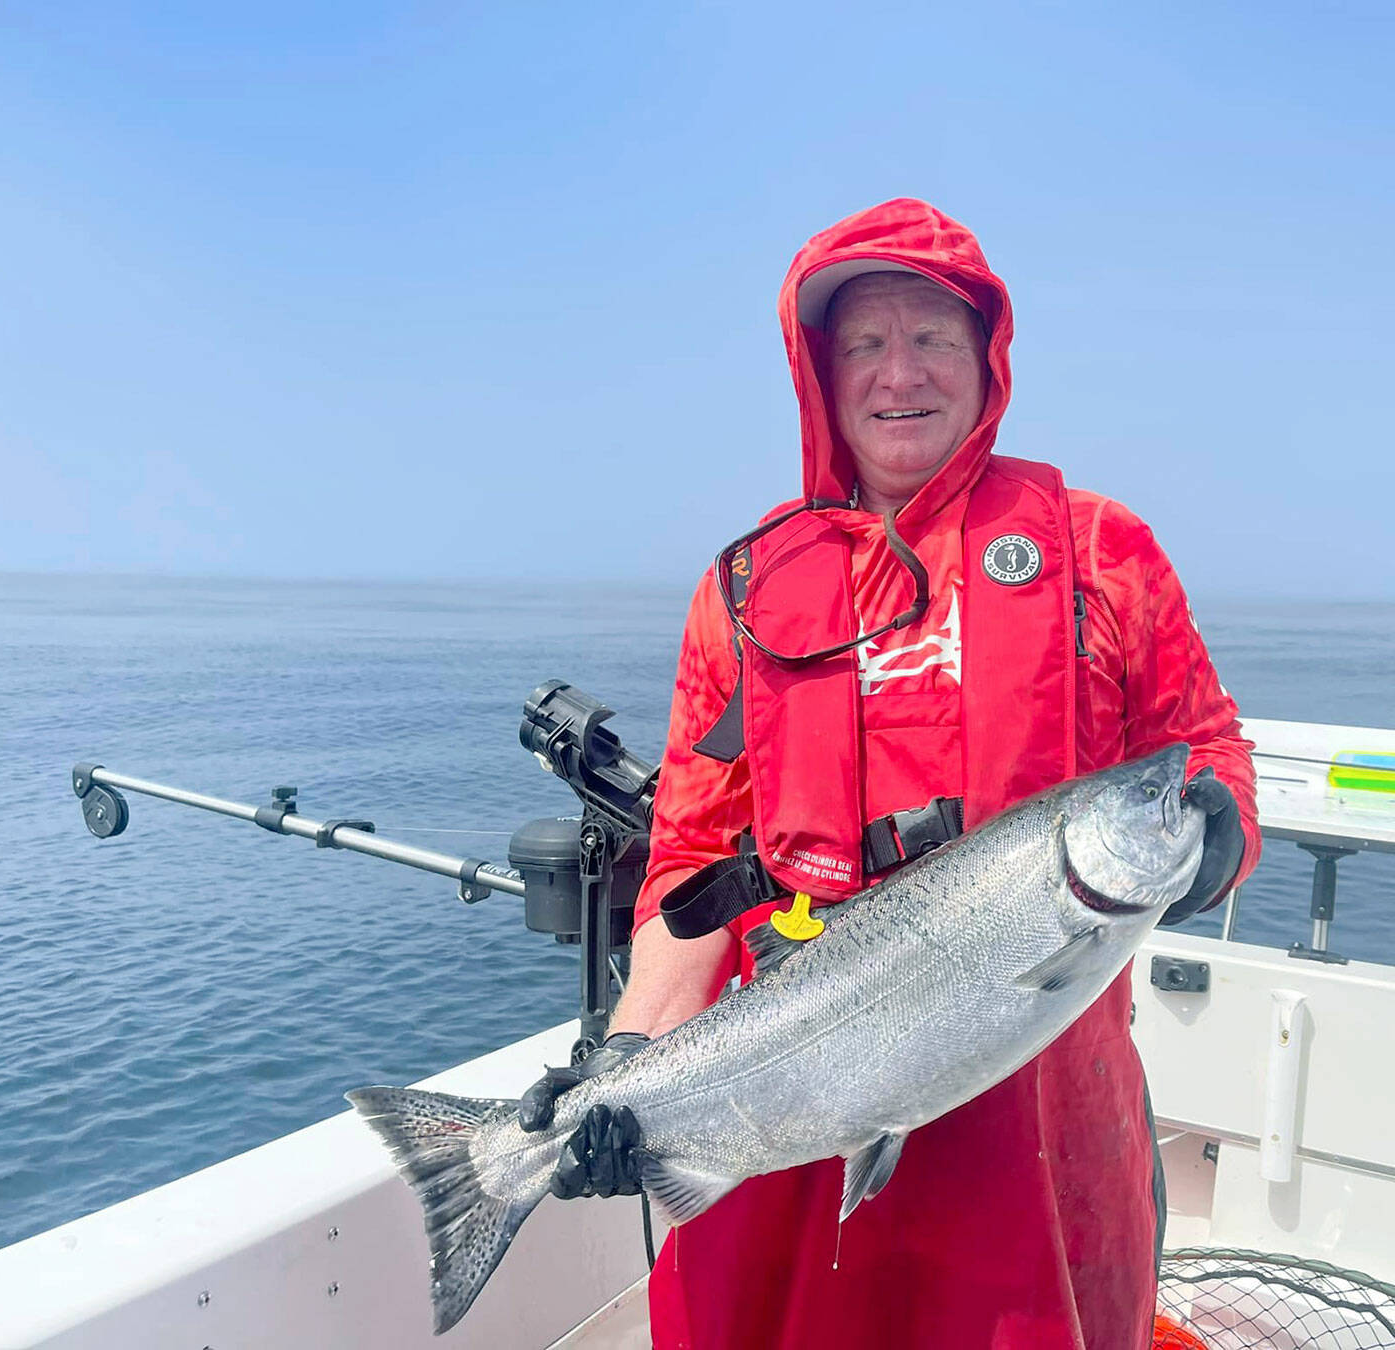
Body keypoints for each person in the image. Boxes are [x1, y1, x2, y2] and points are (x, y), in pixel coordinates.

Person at [521, 198, 1261, 1350]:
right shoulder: (748, 590)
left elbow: (1206, 751)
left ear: (986, 358)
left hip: (1038, 1100)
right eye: (865, 343)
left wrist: (1215, 831)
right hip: (786, 1092)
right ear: (821, 374)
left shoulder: (1100, 551)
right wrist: (630, 1054)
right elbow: (694, 859)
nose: (899, 372)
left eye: (932, 338)